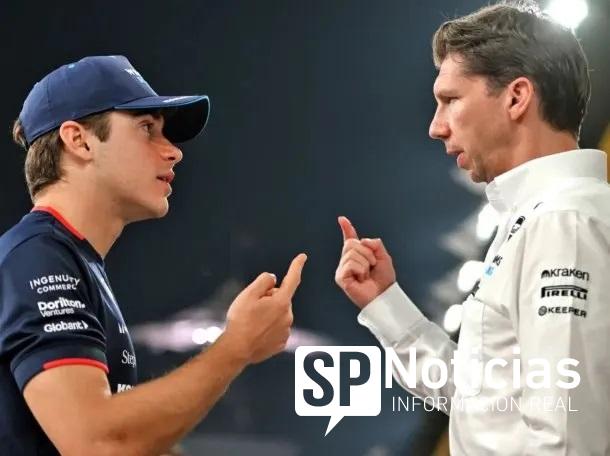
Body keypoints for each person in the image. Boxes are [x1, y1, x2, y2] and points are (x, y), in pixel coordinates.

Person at [335, 3, 609, 455]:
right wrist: (384, 304)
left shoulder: (563, 222)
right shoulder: (537, 219)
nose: (435, 127)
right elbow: (481, 398)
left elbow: (567, 441)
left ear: (516, 97)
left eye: (450, 100)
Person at [0, 55, 307, 455]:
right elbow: (98, 443)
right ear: (79, 140)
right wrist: (236, 346)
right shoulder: (37, 258)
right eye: (147, 128)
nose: (174, 151)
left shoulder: (72, 260)